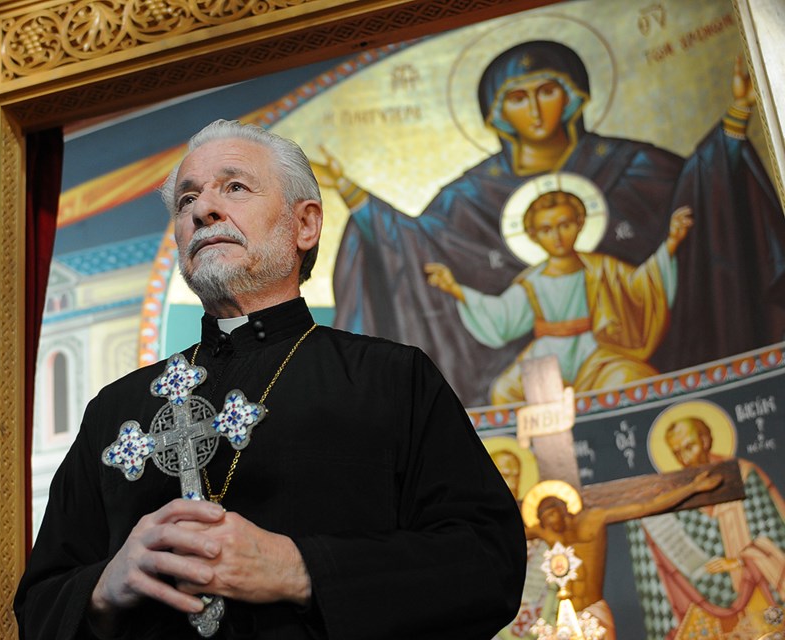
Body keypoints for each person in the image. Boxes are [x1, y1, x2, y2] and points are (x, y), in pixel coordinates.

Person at [14, 119, 527, 639]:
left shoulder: (391, 379)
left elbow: (488, 564)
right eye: (186, 199)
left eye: (234, 187)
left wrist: (300, 568)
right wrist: (103, 588)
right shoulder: (115, 411)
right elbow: (38, 607)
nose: (202, 209)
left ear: (304, 225)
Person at [315, 40, 785, 406]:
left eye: (547, 91)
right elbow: (417, 246)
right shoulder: (470, 197)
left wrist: (737, 116)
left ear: (574, 96)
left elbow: (699, 192)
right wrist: (358, 200)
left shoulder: (633, 166)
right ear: (498, 113)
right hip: (541, 364)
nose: (536, 110)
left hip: (612, 354)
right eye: (518, 97)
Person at [423, 190, 692, 403]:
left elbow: (640, 288)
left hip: (597, 354)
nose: (557, 236)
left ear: (580, 224)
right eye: (546, 229)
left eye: (564, 225)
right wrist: (454, 289)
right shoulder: (532, 282)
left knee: (635, 378)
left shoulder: (602, 267)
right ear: (533, 235)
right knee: (505, 392)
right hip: (546, 359)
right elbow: (503, 318)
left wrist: (671, 244)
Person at [626, 417, 785, 638]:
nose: (685, 458)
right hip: (703, 601)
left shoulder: (744, 476)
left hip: (754, 589)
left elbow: (775, 534)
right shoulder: (678, 493)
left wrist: (739, 561)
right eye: (677, 452)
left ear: (705, 440)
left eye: (689, 447)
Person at [521, 472, 723, 640]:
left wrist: (693, 488)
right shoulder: (545, 531)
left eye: (551, 515)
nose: (549, 523)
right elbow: (508, 533)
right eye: (544, 520)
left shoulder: (595, 518)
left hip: (595, 611)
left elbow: (647, 506)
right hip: (565, 617)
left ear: (563, 507)